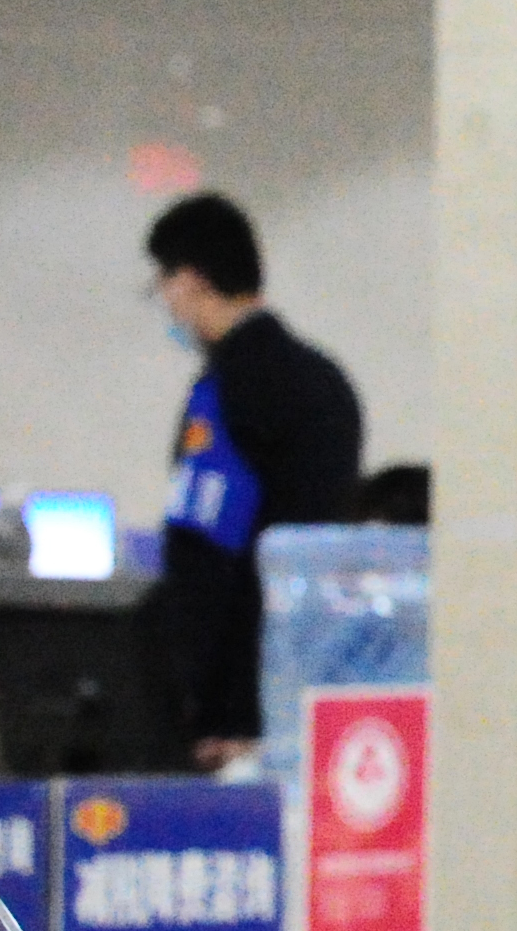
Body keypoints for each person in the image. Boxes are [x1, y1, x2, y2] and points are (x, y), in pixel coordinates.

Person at [140, 192, 364, 769]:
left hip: (240, 710)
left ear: (190, 281)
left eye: (163, 286)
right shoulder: (326, 381)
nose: (167, 306)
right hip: (314, 682)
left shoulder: (226, 392)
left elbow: (207, 556)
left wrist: (209, 707)